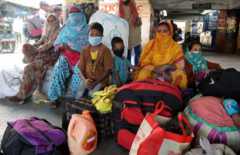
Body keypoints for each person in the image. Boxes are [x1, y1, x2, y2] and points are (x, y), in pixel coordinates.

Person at [49, 22, 113, 108]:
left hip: (100, 80)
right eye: (92, 34)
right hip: (87, 79)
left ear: (102, 36)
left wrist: (96, 82)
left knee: (92, 95)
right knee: (78, 95)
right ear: (88, 36)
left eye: (97, 34)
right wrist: (85, 80)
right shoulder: (85, 50)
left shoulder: (106, 51)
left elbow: (108, 70)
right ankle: (76, 108)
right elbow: (80, 69)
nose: (94, 37)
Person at [6, 14, 60, 104]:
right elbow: (42, 40)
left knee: (28, 68)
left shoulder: (58, 31)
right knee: (26, 46)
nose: (50, 22)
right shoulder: (46, 29)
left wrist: (37, 49)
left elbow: (50, 44)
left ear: (56, 21)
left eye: (52, 21)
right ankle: (31, 59)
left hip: (51, 55)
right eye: (48, 20)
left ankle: (21, 95)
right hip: (42, 52)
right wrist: (36, 45)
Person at [47, 6, 89, 105]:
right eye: (71, 15)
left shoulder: (87, 29)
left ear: (81, 16)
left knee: (78, 76)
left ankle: (74, 100)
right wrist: (61, 46)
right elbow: (56, 44)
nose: (73, 17)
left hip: (81, 58)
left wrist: (73, 48)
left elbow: (88, 46)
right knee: (58, 69)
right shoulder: (65, 28)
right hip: (66, 56)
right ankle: (54, 98)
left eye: (76, 15)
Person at [134, 22, 187, 89]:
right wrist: (155, 69)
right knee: (142, 74)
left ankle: (175, 93)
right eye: (159, 31)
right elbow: (144, 62)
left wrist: (167, 67)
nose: (161, 33)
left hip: (169, 71)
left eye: (165, 31)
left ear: (170, 32)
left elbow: (181, 65)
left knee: (181, 76)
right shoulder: (151, 44)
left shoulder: (176, 46)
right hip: (152, 71)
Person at [119, 0, 142, 65]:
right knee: (127, 53)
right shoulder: (120, 6)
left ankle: (137, 69)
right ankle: (128, 70)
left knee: (137, 53)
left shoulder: (132, 3)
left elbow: (138, 20)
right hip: (127, 33)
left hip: (135, 32)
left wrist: (137, 21)